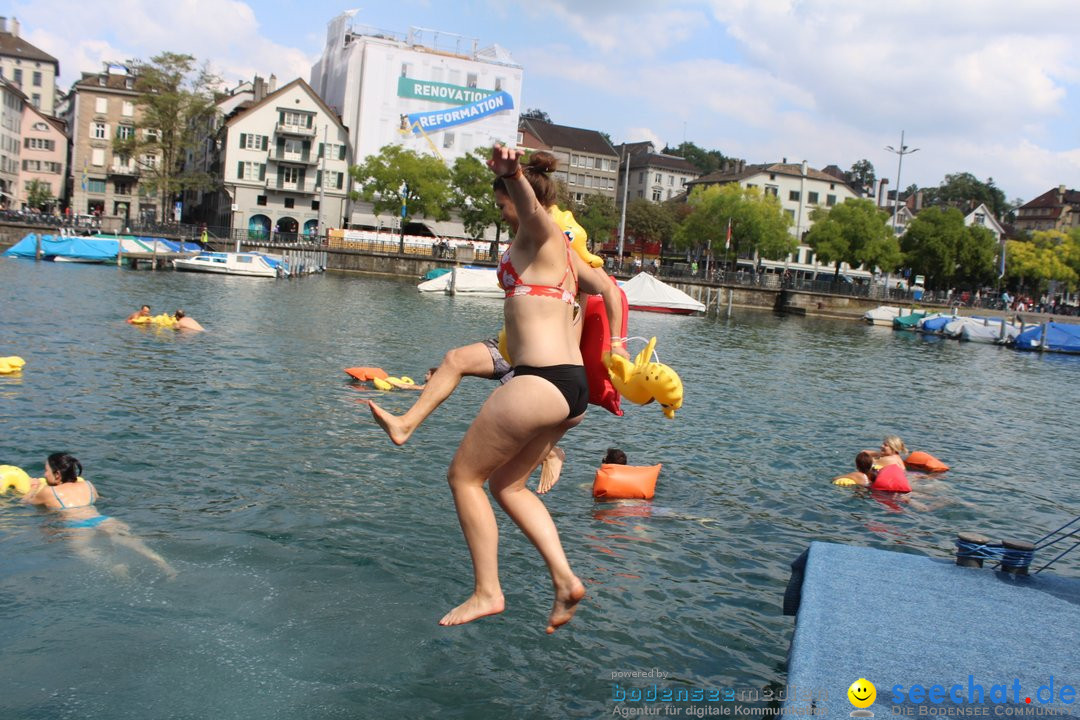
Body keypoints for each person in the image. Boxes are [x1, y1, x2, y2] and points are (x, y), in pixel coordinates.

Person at [435, 145, 623, 632]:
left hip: (541, 381)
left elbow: (532, 209)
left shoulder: (538, 232)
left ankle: (487, 591)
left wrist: (512, 174)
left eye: (502, 204)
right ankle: (564, 580)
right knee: (507, 485)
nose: (502, 212)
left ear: (520, 200)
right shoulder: (562, 252)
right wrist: (616, 344)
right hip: (572, 389)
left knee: (464, 479)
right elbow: (610, 289)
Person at [22, 452, 176, 577]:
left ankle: (117, 569)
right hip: (103, 519)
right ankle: (164, 565)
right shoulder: (87, 485)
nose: (44, 474)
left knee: (85, 552)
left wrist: (35, 487)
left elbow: (25, 502)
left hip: (76, 526)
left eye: (46, 470)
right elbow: (97, 498)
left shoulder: (48, 492)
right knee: (138, 546)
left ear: (57, 475)